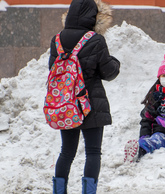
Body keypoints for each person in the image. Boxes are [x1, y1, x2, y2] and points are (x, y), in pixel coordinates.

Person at [48, 0, 120, 193]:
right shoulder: (94, 39)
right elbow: (109, 72)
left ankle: (59, 191)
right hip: (91, 103)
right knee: (93, 152)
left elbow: (52, 70)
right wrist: (115, 62)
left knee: (67, 151)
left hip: (66, 103)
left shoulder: (57, 39)